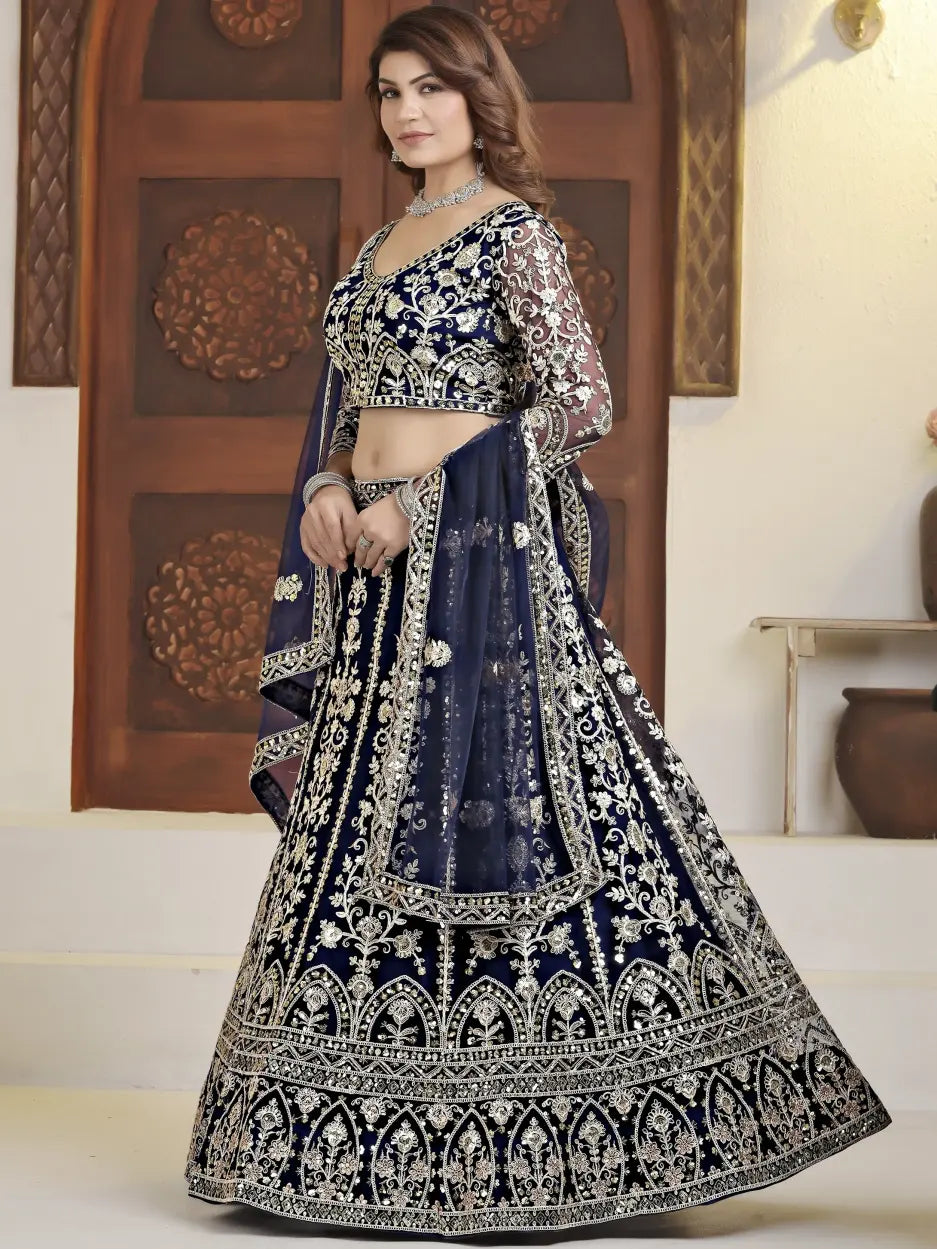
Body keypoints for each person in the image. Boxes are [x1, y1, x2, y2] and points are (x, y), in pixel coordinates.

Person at [184, 6, 890, 1235]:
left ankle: (576, 1137)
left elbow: (576, 404)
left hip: (481, 587)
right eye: (389, 91)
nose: (407, 111)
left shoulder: (515, 237)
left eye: (431, 89)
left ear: (477, 96)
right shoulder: (379, 245)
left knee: (535, 825)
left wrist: (428, 497)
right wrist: (325, 487)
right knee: (360, 838)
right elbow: (342, 408)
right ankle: (338, 1139)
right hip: (378, 592)